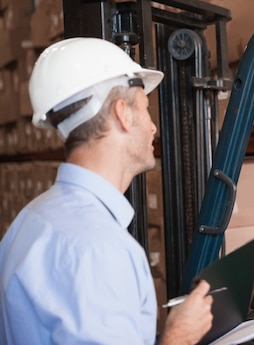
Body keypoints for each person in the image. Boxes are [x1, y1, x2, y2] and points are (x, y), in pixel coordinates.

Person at [0, 37, 214, 345]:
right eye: (146, 108)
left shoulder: (29, 219)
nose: (154, 127)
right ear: (122, 114)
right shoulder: (101, 250)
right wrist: (178, 337)